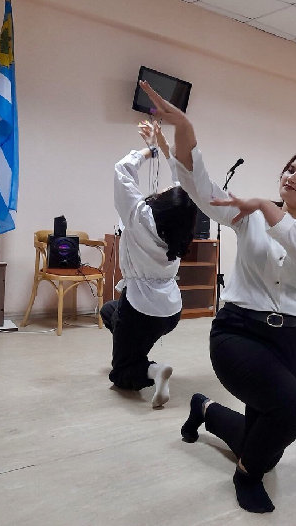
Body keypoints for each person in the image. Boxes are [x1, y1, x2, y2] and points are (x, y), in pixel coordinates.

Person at [137, 81, 296, 513]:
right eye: (290, 169)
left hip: (286, 340)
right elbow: (202, 189)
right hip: (237, 334)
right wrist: (185, 129)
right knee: (293, 411)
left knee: (264, 442)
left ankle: (204, 410)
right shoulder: (249, 214)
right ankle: (245, 475)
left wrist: (265, 207)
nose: (291, 177)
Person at [100, 120, 197, 409]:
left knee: (121, 375)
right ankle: (136, 353)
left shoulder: (139, 217)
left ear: (164, 203)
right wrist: (160, 145)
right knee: (109, 311)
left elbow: (122, 169)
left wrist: (147, 152)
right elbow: (183, 178)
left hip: (140, 310)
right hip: (170, 310)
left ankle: (153, 370)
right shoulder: (180, 224)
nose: (166, 187)